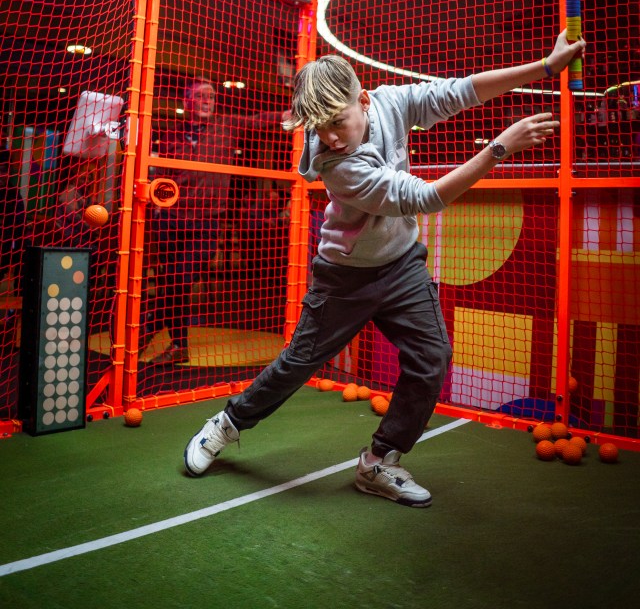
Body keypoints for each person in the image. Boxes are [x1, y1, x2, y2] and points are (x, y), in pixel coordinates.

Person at [182, 31, 585, 506]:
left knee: (432, 357)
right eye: (319, 127)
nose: (329, 137)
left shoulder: (391, 103)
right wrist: (498, 148)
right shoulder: (336, 165)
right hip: (345, 276)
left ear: (365, 100)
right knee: (297, 364)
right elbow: (426, 197)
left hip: (401, 266)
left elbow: (461, 91)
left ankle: (379, 462)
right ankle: (225, 425)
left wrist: (544, 66)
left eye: (337, 122)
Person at [141, 78, 285, 366]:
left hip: (207, 220)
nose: (209, 100)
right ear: (188, 102)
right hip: (171, 218)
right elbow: (159, 173)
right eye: (202, 96)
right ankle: (173, 343)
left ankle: (147, 331)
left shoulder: (226, 126)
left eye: (212, 96)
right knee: (170, 282)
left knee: (180, 279)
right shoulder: (170, 135)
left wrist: (289, 115)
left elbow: (259, 121)